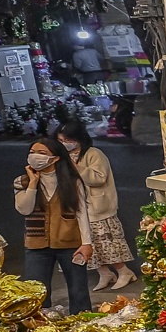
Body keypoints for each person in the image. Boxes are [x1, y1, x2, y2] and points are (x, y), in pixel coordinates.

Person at [13, 137, 93, 313]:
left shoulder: (72, 181)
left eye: (42, 153)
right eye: (32, 152)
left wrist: (87, 243)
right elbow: (24, 209)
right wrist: (33, 184)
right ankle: (41, 328)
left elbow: (82, 213)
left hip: (70, 243)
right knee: (36, 292)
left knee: (78, 290)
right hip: (36, 244)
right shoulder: (22, 181)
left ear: (56, 158)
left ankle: (83, 326)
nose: (35, 157)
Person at [58, 122, 135, 291]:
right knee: (87, 244)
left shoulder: (94, 154)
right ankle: (105, 273)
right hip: (76, 207)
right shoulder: (62, 158)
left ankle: (124, 272)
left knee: (106, 242)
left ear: (78, 138)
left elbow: (98, 178)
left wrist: (75, 167)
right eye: (61, 140)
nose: (64, 143)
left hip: (98, 207)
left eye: (67, 139)